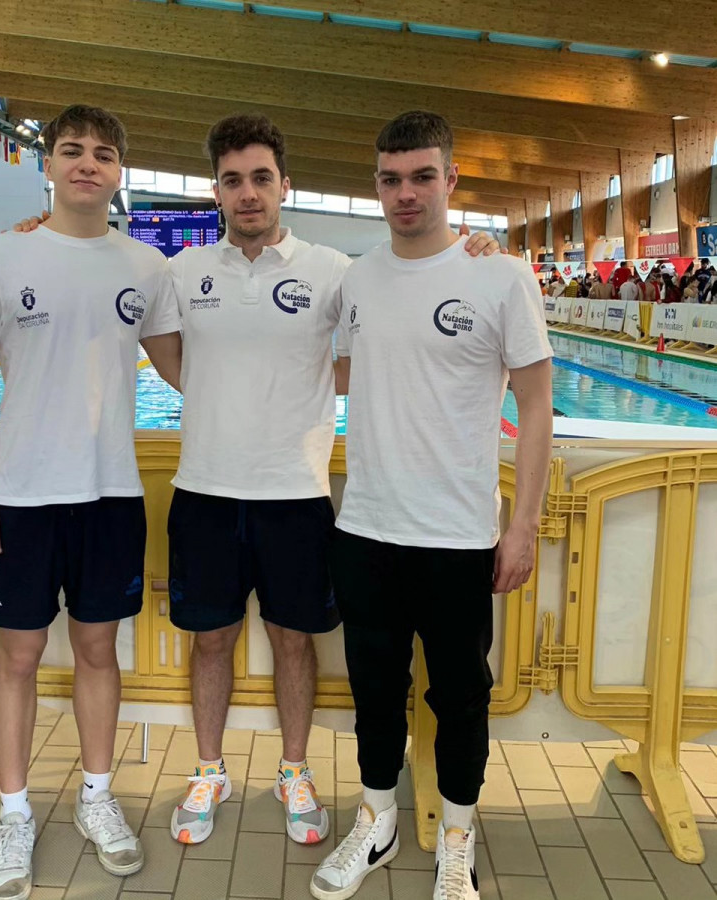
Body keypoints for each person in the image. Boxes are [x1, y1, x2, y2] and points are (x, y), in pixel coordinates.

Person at [158, 114, 499, 850]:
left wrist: (478, 250)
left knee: (292, 641)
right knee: (210, 641)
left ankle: (293, 770)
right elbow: (161, 349)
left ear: (286, 185)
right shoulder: (186, 272)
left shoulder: (334, 272)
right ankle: (209, 768)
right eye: (231, 180)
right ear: (215, 190)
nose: (247, 193)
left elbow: (397, 317)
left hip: (297, 493)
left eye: (260, 178)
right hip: (206, 491)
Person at [311, 110, 552, 900]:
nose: (405, 193)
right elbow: (334, 370)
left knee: (460, 697)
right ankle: (377, 820)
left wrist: (523, 527)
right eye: (390, 178)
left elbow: (538, 407)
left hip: (457, 535)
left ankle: (456, 835)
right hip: (367, 527)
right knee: (374, 690)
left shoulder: (500, 276)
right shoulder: (358, 278)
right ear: (375, 185)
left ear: (452, 181)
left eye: (422, 176)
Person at [0, 104, 182, 900]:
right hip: (17, 496)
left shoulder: (148, 268)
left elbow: (192, 370)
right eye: (72, 150)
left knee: (95, 653)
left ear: (119, 173)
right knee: (14, 657)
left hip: (110, 494)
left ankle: (96, 796)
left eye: (104, 154)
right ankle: (14, 811)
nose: (88, 163)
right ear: (46, 163)